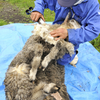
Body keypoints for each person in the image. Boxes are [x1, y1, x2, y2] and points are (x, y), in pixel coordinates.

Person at [30, 0, 100, 66]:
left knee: (61, 59)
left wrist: (69, 34)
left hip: (72, 36)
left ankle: (73, 52)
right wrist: (37, 9)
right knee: (38, 48)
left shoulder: (92, 5)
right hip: (56, 30)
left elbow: (93, 30)